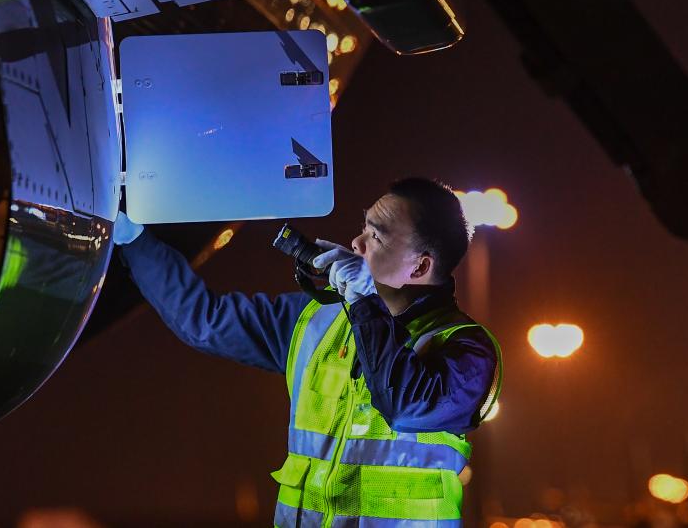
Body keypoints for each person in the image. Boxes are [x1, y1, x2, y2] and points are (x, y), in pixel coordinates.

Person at [113, 177, 501, 527]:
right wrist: (133, 240)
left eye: (377, 237)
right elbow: (204, 320)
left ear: (420, 267)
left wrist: (363, 300)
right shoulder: (316, 319)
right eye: (363, 228)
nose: (357, 244)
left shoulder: (468, 350)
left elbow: (403, 404)